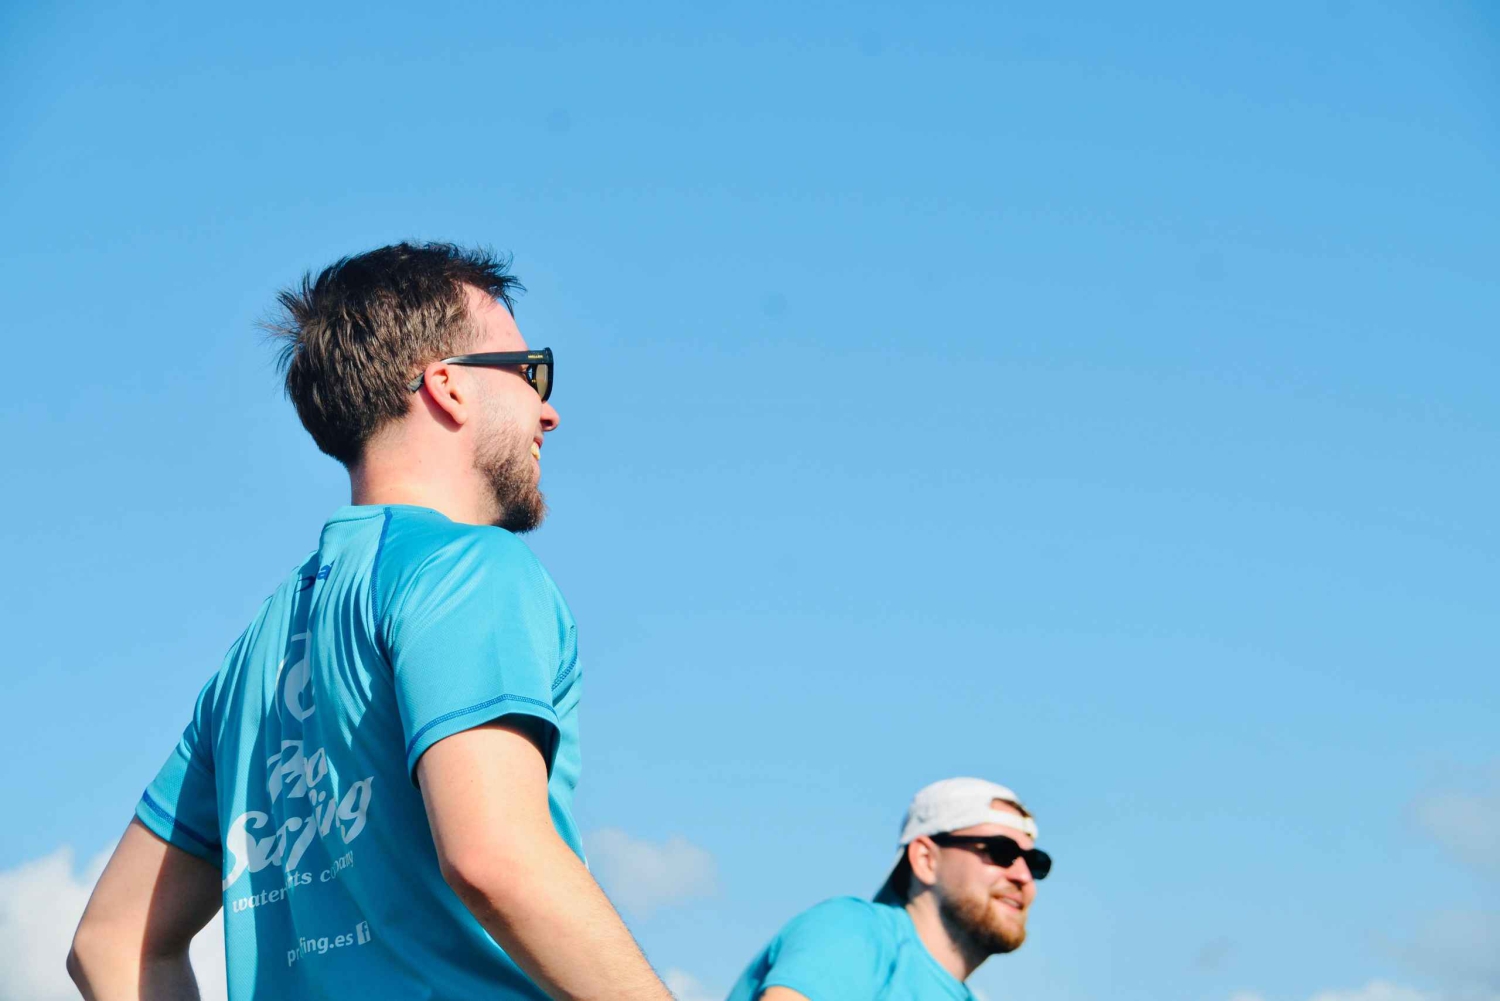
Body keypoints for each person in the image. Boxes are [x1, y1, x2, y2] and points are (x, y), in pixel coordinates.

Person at [67, 243, 675, 1001]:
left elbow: (111, 940)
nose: (547, 410)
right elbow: (495, 858)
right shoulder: (467, 570)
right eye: (530, 372)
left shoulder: (253, 660)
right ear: (448, 386)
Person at [726, 777, 1051, 1001]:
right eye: (1001, 852)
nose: (1023, 876)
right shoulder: (854, 930)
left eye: (1035, 862)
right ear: (926, 860)